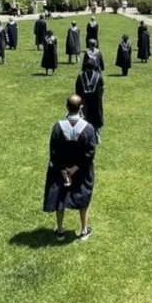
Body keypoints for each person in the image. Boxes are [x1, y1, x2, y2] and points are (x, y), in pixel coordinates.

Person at [43, 95, 97, 242]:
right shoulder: (88, 128)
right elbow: (90, 152)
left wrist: (63, 170)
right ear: (81, 108)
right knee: (83, 196)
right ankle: (84, 230)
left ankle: (60, 231)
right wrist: (75, 168)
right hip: (82, 170)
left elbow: (54, 151)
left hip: (61, 169)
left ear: (66, 106)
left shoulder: (58, 127)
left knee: (60, 197)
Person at [76, 60, 105, 141]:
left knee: (85, 118)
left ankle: (85, 136)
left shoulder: (80, 76)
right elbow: (102, 88)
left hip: (84, 102)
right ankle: (97, 136)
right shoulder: (98, 76)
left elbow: (77, 90)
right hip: (96, 102)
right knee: (96, 118)